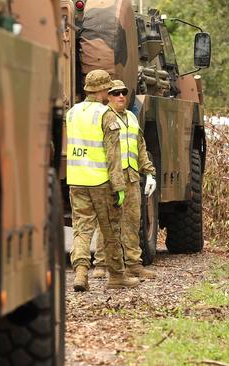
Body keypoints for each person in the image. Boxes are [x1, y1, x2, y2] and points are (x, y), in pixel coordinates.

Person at [66, 70, 140, 291]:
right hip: (101, 182)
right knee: (111, 229)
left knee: (81, 228)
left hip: (77, 180)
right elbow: (113, 155)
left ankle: (80, 274)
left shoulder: (72, 112)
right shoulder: (106, 115)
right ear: (102, 91)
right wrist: (119, 187)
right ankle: (117, 277)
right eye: (108, 89)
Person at [91, 80, 157, 280]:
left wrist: (149, 172)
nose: (121, 96)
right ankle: (101, 264)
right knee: (108, 222)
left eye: (123, 92)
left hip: (131, 177)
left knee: (132, 220)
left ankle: (133, 265)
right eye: (116, 93)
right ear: (108, 96)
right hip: (111, 177)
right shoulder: (104, 117)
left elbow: (140, 147)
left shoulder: (131, 118)